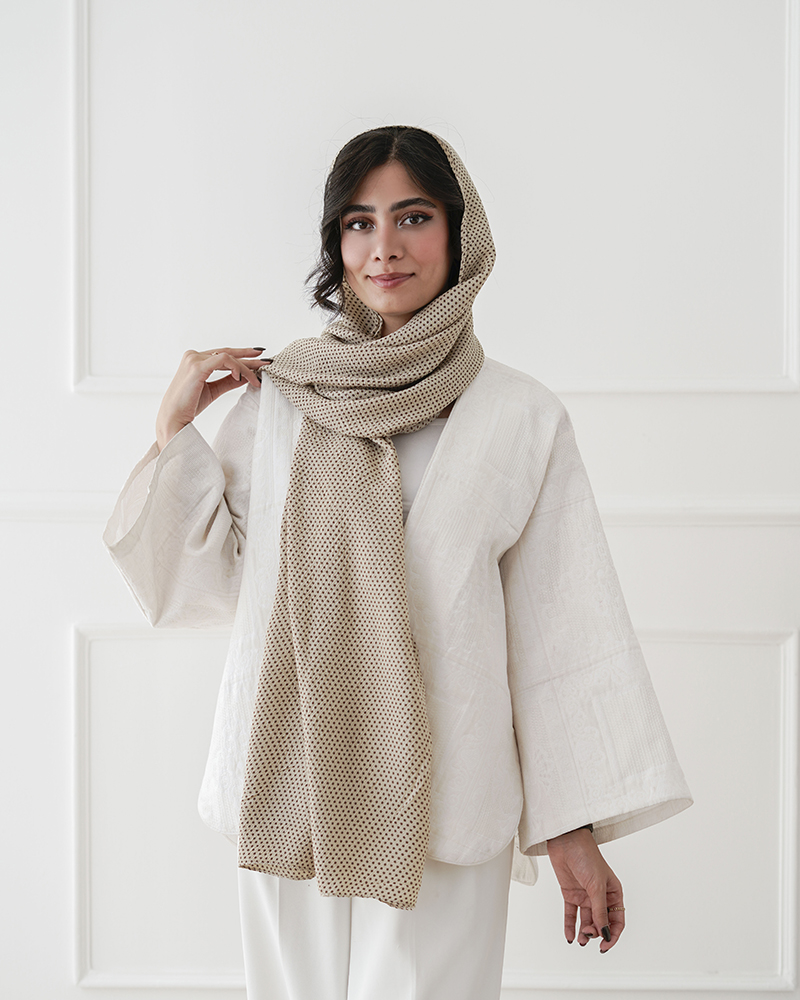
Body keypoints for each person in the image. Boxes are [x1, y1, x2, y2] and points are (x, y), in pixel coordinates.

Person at [104, 125, 692, 1000]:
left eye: (413, 217)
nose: (384, 247)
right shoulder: (282, 400)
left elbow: (561, 630)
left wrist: (573, 830)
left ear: (461, 233)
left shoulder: (519, 416)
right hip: (289, 789)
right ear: (335, 243)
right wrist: (172, 431)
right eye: (359, 222)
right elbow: (205, 586)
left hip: (445, 798)